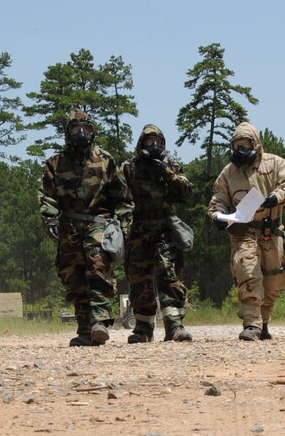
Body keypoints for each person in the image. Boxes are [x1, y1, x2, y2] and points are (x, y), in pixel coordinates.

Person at [39, 109, 133, 346]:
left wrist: (124, 223)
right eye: (76, 129)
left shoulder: (105, 160)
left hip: (97, 222)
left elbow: (121, 197)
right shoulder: (55, 163)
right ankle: (84, 328)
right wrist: (50, 218)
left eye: (86, 129)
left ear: (93, 131)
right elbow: (47, 196)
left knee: (97, 265)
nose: (81, 134)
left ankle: (100, 321)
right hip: (69, 225)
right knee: (73, 275)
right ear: (68, 133)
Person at [207, 122, 285, 341]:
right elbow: (218, 200)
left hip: (271, 229)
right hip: (243, 231)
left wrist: (276, 197)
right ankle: (251, 324)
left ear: (255, 143)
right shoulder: (228, 173)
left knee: (274, 279)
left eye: (245, 144)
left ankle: (264, 321)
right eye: (236, 145)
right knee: (248, 271)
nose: (241, 150)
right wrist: (218, 216)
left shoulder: (276, 163)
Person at [122, 124, 193, 343]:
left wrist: (166, 172)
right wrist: (124, 227)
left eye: (158, 142)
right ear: (141, 144)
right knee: (139, 280)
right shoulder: (129, 168)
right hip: (139, 230)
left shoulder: (170, 167)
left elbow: (186, 193)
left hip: (164, 230)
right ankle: (143, 329)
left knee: (169, 277)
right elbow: (120, 198)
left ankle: (174, 326)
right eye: (149, 142)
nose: (153, 146)